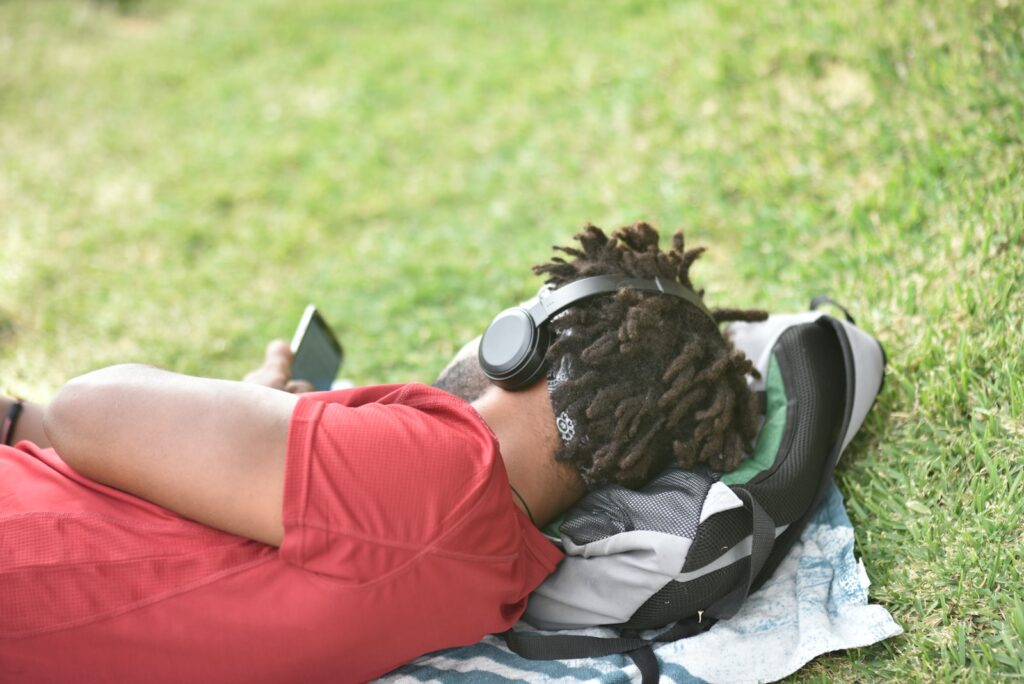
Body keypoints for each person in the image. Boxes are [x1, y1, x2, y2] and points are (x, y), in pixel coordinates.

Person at [0, 223, 764, 683]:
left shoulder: (441, 472)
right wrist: (251, 418)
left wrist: (237, 408)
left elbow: (86, 409)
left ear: (526, 343)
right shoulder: (496, 569)